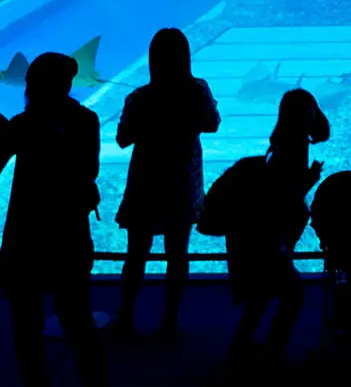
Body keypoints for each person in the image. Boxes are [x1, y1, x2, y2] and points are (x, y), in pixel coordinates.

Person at [0, 51, 108, 385]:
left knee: (26, 326)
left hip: (26, 240)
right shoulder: (86, 121)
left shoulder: (22, 125)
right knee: (77, 319)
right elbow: (90, 172)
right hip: (70, 236)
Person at [112, 26, 221, 342]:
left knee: (136, 254)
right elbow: (212, 124)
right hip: (182, 184)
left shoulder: (139, 98)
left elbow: (122, 139)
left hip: (146, 182)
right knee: (177, 253)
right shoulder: (197, 91)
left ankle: (126, 314)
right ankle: (170, 318)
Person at [223, 88, 329, 367]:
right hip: (267, 236)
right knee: (292, 295)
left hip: (261, 233)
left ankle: (243, 348)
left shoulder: (281, 141)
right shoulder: (293, 145)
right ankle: (271, 355)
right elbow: (286, 194)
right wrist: (310, 179)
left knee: (264, 293)